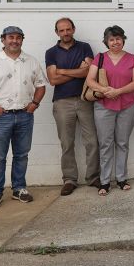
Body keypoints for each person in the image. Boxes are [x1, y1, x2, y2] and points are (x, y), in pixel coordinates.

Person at [0, 26, 46, 210]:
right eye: (10, 37)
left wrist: (34, 104)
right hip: (0, 117)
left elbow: (41, 84)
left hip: (24, 116)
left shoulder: (31, 61)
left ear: (22, 39)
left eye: (18, 37)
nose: (14, 40)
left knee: (22, 155)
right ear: (3, 39)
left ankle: (19, 188)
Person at [45, 17, 100, 196]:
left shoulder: (85, 47)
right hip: (62, 102)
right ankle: (69, 180)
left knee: (91, 141)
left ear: (73, 29)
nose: (65, 33)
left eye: (68, 29)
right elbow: (53, 80)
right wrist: (78, 71)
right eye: (62, 30)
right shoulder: (51, 52)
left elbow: (89, 72)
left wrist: (62, 70)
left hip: (85, 100)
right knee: (67, 143)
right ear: (57, 33)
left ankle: (93, 177)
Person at [85, 25, 134, 196]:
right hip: (104, 106)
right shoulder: (99, 57)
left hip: (127, 105)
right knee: (105, 144)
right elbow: (90, 80)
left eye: (118, 38)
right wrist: (105, 90)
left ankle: (122, 178)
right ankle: (105, 181)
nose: (115, 42)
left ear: (123, 39)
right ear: (106, 41)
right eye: (111, 39)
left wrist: (118, 91)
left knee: (122, 143)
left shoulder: (132, 58)